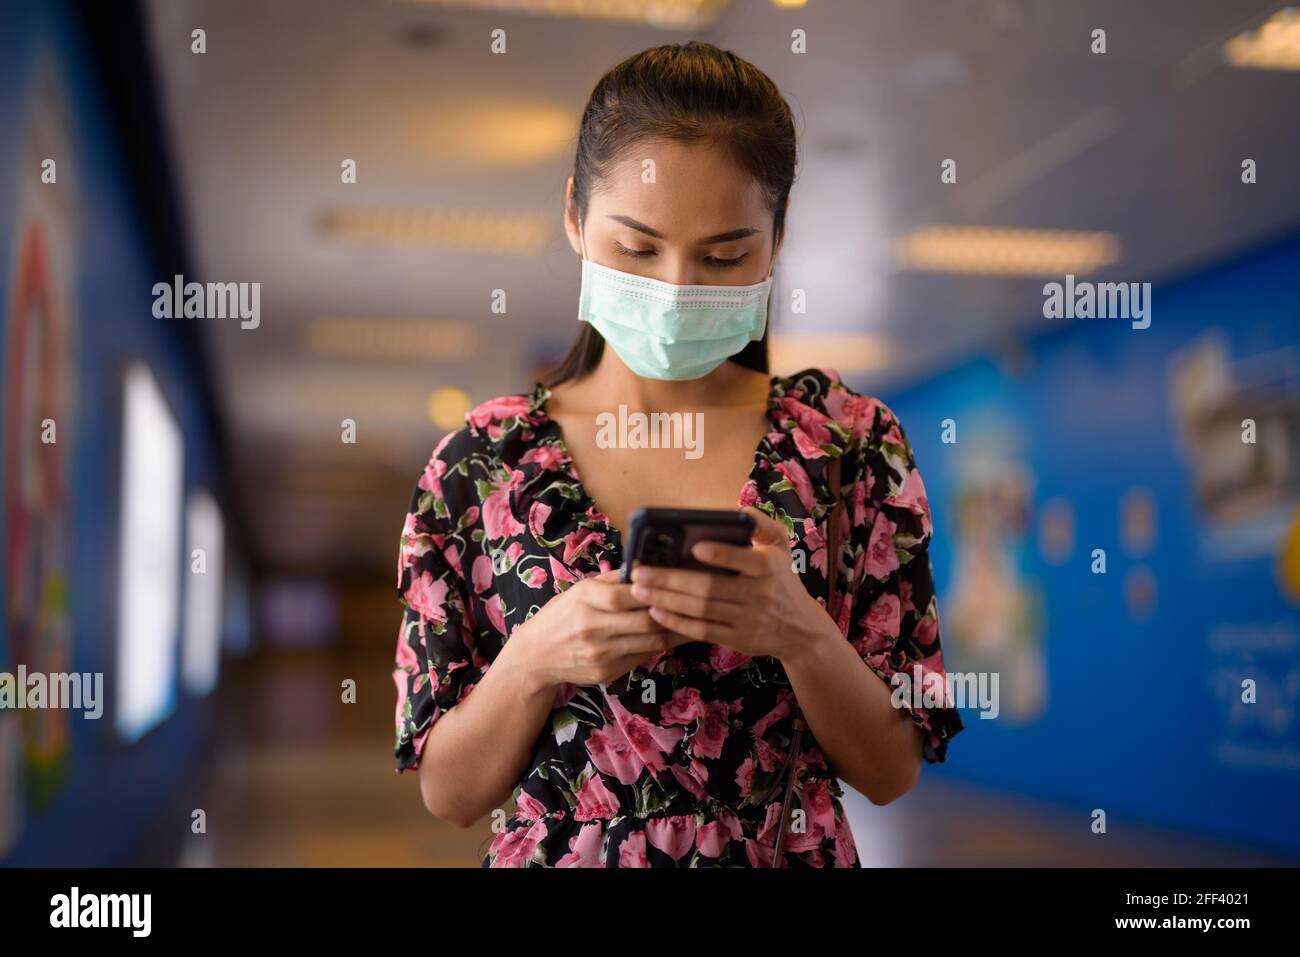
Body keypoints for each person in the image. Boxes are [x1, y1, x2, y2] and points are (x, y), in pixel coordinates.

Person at [392, 41, 963, 868]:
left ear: (778, 240)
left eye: (724, 256)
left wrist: (801, 635)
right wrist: (532, 660)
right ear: (574, 217)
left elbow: (891, 770)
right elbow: (449, 793)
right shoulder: (482, 465)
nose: (673, 288)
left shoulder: (849, 445)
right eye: (636, 249)